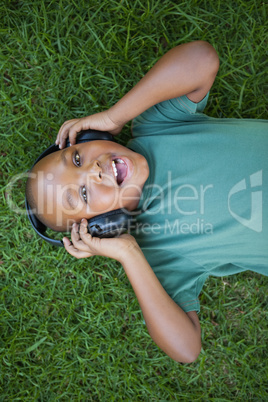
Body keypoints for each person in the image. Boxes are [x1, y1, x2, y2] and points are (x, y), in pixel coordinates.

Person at [26, 41, 268, 363]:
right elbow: (186, 349)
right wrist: (128, 254)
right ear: (97, 227)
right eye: (83, 194)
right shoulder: (160, 257)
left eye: (78, 157)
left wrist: (116, 116)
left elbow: (202, 59)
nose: (94, 170)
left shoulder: (156, 127)